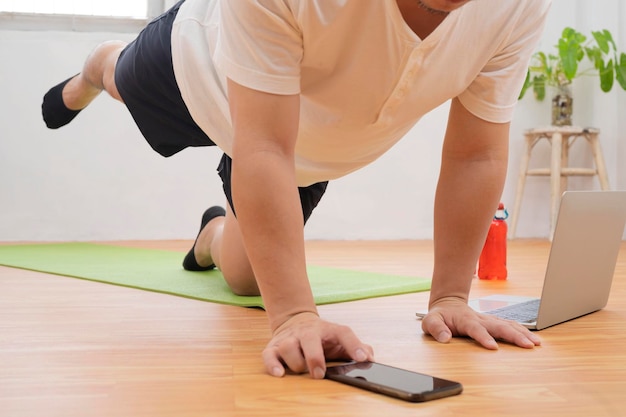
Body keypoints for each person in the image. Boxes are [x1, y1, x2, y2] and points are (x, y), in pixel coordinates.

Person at [42, 0, 550, 379]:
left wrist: (452, 296)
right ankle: (99, 62)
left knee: (245, 280)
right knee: (121, 79)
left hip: (301, 140)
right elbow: (262, 145)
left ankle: (213, 232)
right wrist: (295, 317)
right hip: (199, 72)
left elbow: (476, 153)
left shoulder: (517, 6)